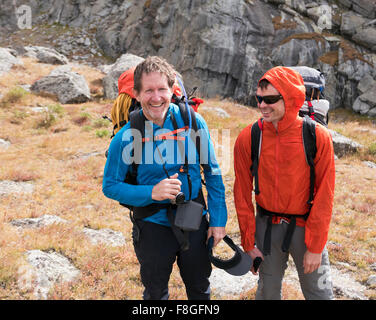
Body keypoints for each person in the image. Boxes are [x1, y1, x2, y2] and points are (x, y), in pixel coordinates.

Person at [102, 56, 227, 300]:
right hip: (151, 224)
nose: (156, 97)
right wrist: (151, 193)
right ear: (137, 94)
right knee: (156, 292)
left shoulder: (192, 121)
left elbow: (212, 172)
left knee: (200, 288)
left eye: (162, 89)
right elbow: (110, 186)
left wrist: (219, 220)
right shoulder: (127, 136)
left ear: (172, 90)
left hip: (194, 218)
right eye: (149, 90)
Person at [233, 66, 335, 300]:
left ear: (290, 97)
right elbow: (241, 193)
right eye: (259, 98)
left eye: (270, 99)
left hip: (307, 230)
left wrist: (316, 246)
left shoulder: (317, 136)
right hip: (266, 229)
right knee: (267, 293)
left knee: (320, 294)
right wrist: (248, 243)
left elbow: (325, 194)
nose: (262, 105)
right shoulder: (249, 136)